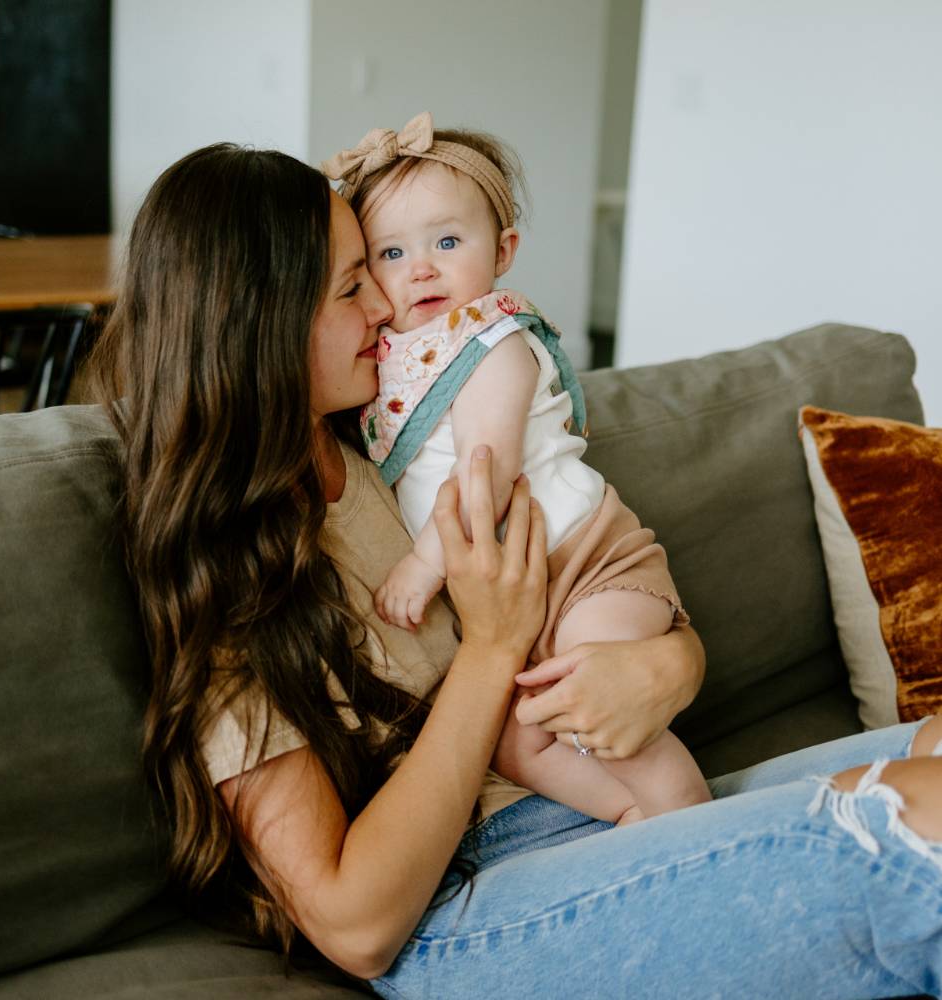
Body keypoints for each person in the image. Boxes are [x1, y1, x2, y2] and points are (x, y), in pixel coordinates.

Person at [86, 141, 942, 1000]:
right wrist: (492, 650)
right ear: (258, 323)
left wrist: (670, 662)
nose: (390, 305)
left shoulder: (383, 443)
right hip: (473, 898)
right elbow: (355, 927)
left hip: (593, 800)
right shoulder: (226, 579)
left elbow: (596, 580)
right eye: (354, 286)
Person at [321, 111, 710, 827]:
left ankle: (690, 816)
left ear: (502, 250)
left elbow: (487, 467)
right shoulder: (390, 359)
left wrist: (421, 568)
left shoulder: (495, 342)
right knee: (513, 742)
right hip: (515, 609)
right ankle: (632, 819)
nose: (422, 268)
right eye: (391, 253)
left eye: (446, 241)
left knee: (593, 703)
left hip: (587, 566)